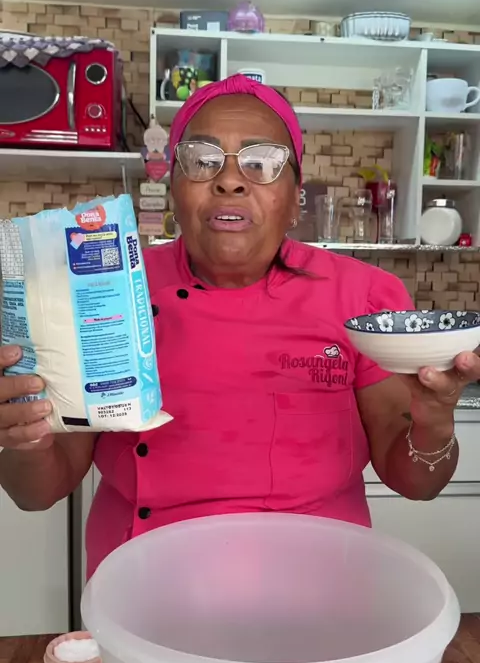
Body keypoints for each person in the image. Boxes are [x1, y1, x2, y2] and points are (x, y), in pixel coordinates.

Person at [1, 74, 479, 578]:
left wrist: (434, 421)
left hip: (317, 588)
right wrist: (24, 436)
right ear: (174, 188)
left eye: (262, 162)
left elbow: (416, 483)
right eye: (202, 159)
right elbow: (38, 493)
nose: (229, 180)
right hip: (145, 585)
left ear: (295, 200)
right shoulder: (107, 287)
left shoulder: (364, 300)